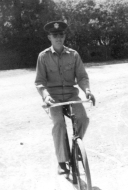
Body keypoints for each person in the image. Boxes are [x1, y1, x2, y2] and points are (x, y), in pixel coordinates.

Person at [35, 21, 95, 175]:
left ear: (64, 36)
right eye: (55, 35)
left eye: (61, 35)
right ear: (49, 37)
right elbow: (40, 82)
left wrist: (87, 91)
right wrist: (46, 96)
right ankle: (62, 161)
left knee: (83, 118)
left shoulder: (74, 55)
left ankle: (76, 147)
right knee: (59, 123)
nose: (58, 38)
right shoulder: (43, 56)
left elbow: (82, 77)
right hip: (53, 97)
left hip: (70, 94)